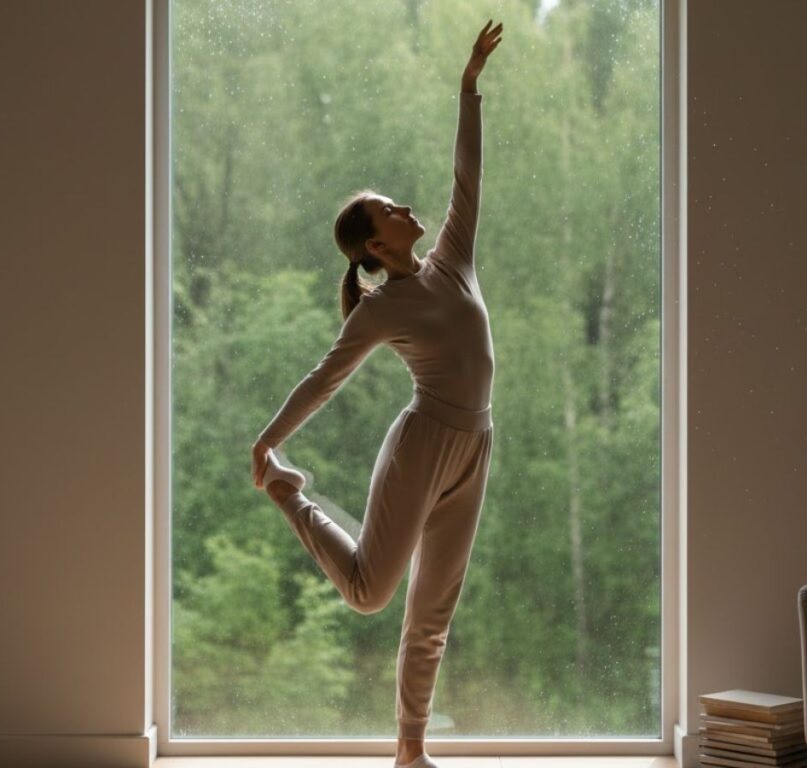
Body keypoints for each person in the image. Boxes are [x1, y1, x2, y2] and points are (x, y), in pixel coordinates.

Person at [251, 18, 503, 768]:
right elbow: (323, 378)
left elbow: (467, 178)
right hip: (424, 444)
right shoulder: (381, 308)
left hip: (476, 444)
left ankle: (410, 752)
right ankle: (290, 496)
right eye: (390, 210)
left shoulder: (452, 261)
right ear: (375, 245)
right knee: (369, 593)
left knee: (434, 610)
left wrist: (468, 88)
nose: (404, 209)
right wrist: (268, 442)